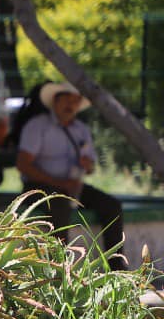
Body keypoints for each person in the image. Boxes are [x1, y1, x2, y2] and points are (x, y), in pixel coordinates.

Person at [15, 81, 126, 271]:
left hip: (72, 186)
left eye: (75, 101)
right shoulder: (37, 126)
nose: (70, 105)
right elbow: (23, 165)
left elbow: (90, 168)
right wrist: (58, 183)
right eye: (66, 99)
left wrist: (87, 165)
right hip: (39, 187)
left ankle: (117, 269)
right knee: (59, 204)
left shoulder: (81, 129)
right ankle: (59, 268)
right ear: (55, 103)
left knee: (111, 205)